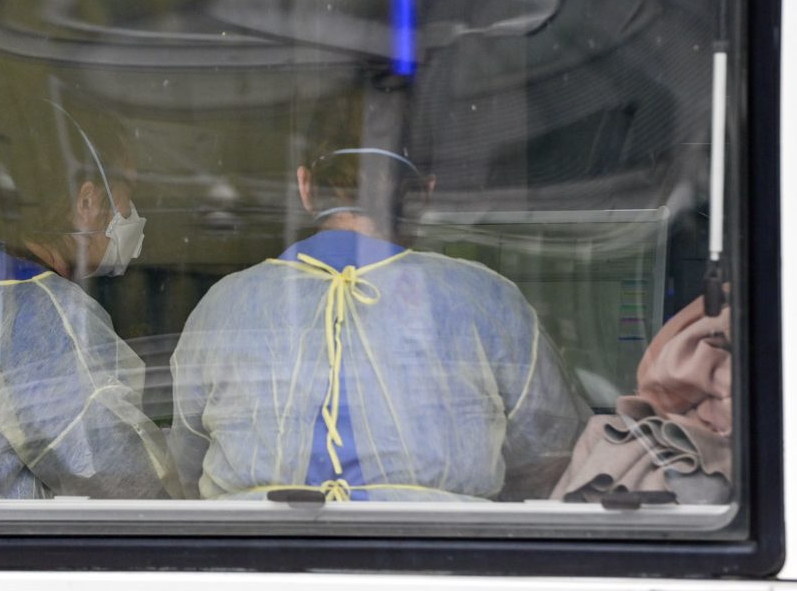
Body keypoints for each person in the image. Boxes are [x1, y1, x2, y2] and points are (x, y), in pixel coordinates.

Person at [169, 144, 591, 502]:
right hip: (440, 564)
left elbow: (186, 466)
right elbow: (552, 454)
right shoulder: (486, 299)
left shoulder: (222, 305)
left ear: (304, 187)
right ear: (423, 194)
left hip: (252, 566)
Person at [0, 102, 177, 500]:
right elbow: (119, 469)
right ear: (87, 202)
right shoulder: (45, 311)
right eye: (126, 196)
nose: (132, 213)